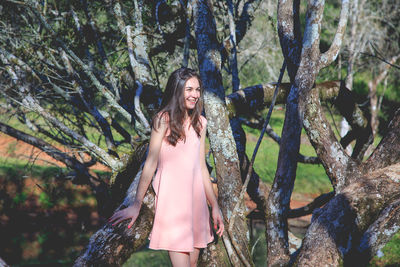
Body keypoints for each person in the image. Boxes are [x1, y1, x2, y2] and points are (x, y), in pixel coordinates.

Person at [108, 67, 224, 267]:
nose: (195, 95)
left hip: (196, 203)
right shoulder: (163, 120)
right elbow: (151, 163)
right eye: (189, 89)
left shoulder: (201, 123)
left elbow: (201, 168)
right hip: (173, 205)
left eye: (197, 90)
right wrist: (136, 203)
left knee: (194, 263)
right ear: (177, 90)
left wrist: (214, 205)